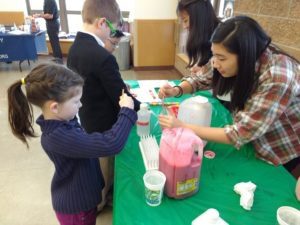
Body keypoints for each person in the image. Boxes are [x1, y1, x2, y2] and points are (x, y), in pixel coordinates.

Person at [158, 16, 300, 177]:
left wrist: (183, 127)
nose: (215, 64)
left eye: (221, 58)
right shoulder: (231, 55)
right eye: (214, 55)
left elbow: (239, 133)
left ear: (245, 54)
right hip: (252, 136)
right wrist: (176, 90)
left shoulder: (278, 76)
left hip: (280, 146)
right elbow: (201, 80)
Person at [7, 63, 137, 225]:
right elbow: (111, 144)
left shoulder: (62, 120)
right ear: (54, 107)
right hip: (76, 209)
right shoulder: (59, 137)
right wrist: (127, 111)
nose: (80, 105)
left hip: (82, 197)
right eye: (76, 102)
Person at [67, 0, 140, 210]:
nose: (114, 36)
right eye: (115, 29)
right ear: (102, 23)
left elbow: (94, 83)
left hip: (87, 117)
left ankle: (98, 199)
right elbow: (121, 97)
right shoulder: (102, 57)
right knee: (103, 166)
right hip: (104, 123)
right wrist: (140, 106)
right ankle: (98, 204)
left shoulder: (75, 47)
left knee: (97, 165)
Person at [177, 0, 220, 74]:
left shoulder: (221, 37)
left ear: (199, 17)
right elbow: (207, 67)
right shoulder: (204, 36)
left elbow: (215, 73)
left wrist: (204, 73)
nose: (184, 26)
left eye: (185, 20)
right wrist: (200, 67)